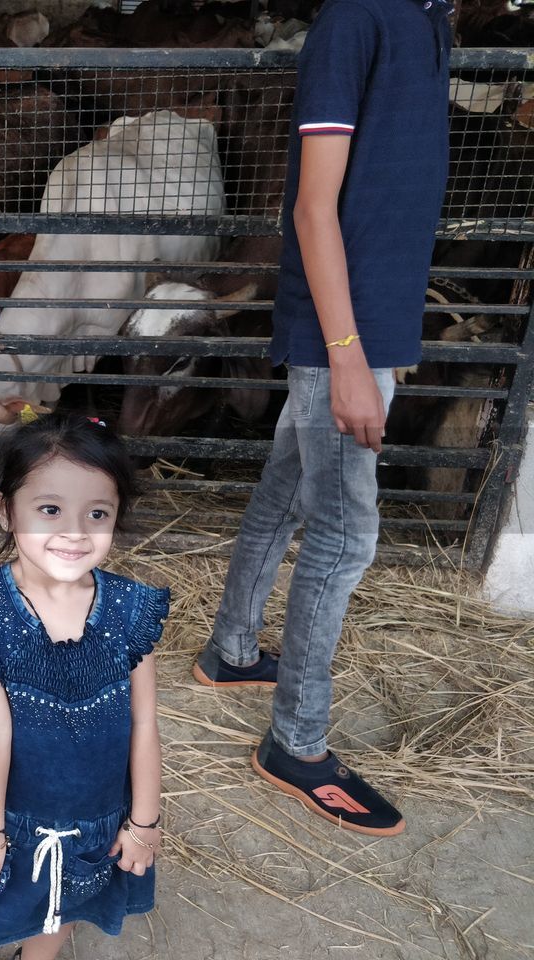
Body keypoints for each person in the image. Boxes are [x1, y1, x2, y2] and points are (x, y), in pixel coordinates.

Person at [193, 0, 454, 837]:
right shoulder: (356, 21)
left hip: (370, 320)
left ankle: (232, 652)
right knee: (345, 535)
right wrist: (347, 352)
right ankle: (296, 745)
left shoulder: (426, 20)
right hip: (344, 329)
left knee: (287, 486)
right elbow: (314, 208)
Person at [0, 413, 170, 960]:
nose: (74, 531)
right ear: (4, 510)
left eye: (97, 513)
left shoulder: (133, 609)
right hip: (11, 826)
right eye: (49, 510)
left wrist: (143, 821)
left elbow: (143, 721)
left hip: (98, 826)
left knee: (64, 911)